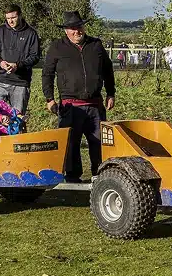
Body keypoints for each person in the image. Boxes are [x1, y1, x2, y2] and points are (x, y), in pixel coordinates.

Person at [42, 11, 116, 182]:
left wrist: (111, 92)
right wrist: (49, 98)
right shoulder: (56, 47)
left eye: (79, 27)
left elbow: (107, 69)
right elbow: (47, 74)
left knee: (98, 143)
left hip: (95, 104)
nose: (77, 31)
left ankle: (100, 176)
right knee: (71, 143)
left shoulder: (96, 45)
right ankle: (72, 177)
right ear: (66, 30)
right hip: (70, 105)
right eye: (72, 28)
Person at [0, 4, 41, 114]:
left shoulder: (31, 33)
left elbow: (35, 56)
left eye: (13, 18)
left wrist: (18, 65)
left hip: (20, 83)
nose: (10, 21)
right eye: (8, 18)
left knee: (18, 118)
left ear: (20, 16)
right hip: (0, 81)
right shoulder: (1, 31)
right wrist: (0, 63)